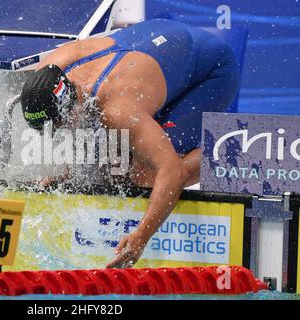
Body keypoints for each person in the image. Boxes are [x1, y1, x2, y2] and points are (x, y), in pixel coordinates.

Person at [20, 18, 240, 268]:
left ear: (71, 110)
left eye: (58, 125)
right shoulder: (49, 71)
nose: (56, 133)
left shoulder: (117, 110)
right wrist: (68, 173)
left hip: (210, 70)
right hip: (157, 41)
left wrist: (141, 237)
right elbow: (77, 126)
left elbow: (171, 173)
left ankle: (229, 147)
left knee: (143, 175)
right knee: (110, 166)